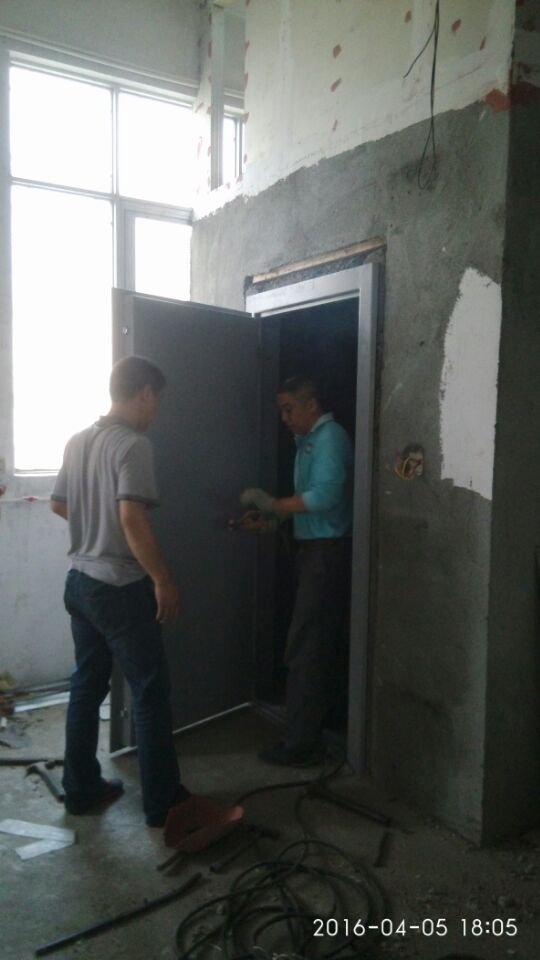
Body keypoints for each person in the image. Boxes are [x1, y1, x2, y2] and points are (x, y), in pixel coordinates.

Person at [50, 355, 190, 826]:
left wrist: (93, 530)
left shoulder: (77, 440)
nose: (156, 412)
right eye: (157, 401)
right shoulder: (133, 445)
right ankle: (164, 803)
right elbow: (132, 516)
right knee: (149, 691)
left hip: (79, 582)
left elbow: (58, 504)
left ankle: (80, 789)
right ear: (145, 393)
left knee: (86, 685)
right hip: (120, 588)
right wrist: (162, 579)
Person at [241, 375, 353, 766]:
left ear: (311, 405)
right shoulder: (307, 442)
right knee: (312, 643)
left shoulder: (330, 439)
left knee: (307, 646)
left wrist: (271, 503)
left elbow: (324, 497)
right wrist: (273, 520)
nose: (284, 418)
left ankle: (301, 744)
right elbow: (305, 504)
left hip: (327, 554)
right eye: (281, 410)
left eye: (289, 409)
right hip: (313, 550)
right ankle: (313, 730)